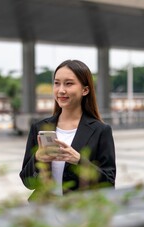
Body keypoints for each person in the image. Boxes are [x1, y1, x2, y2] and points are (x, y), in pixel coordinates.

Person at [20, 59, 116, 201]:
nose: (61, 90)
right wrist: (37, 158)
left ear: (85, 90)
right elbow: (27, 182)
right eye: (57, 83)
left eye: (69, 83)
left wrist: (79, 160)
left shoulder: (101, 130)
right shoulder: (39, 128)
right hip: (44, 211)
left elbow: (109, 183)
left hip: (80, 213)